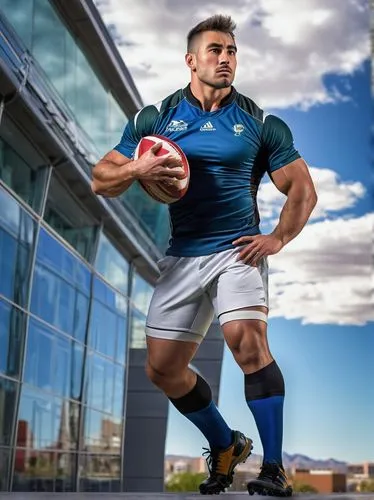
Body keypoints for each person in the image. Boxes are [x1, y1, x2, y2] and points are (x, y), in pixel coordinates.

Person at [91, 14, 317, 497]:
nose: (225, 58)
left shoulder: (258, 122)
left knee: (246, 340)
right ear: (192, 60)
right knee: (163, 369)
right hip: (182, 257)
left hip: (236, 250)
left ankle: (273, 468)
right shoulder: (157, 117)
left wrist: (276, 238)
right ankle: (226, 443)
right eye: (215, 50)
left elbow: (302, 190)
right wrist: (138, 166)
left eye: (232, 51)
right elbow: (99, 179)